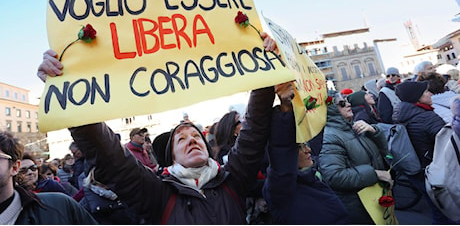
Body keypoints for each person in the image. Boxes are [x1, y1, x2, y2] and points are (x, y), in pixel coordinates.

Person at [37, 32, 280, 224]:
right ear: (171, 159)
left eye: (195, 135)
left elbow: (254, 131)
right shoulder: (157, 194)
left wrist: (264, 68)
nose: (192, 140)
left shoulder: (231, 180)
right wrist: (68, 89)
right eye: (182, 139)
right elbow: (108, 154)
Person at [262, 83, 349, 224]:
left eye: (305, 145)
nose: (308, 150)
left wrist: (321, 99)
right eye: (300, 147)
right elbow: (282, 148)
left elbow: (318, 132)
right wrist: (286, 107)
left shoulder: (311, 177)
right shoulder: (280, 189)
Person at [318, 92, 392, 224]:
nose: (348, 104)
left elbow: (383, 152)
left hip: (375, 197)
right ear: (331, 110)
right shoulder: (329, 137)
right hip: (359, 205)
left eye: (346, 100)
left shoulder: (353, 127)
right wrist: (375, 174)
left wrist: (374, 131)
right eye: (342, 103)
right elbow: (334, 176)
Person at [0, 131, 98, 224]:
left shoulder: (60, 206)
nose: (30, 173)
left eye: (33, 168)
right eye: (24, 170)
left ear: (14, 167)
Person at [393, 81, 453, 224]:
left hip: (419, 170)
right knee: (446, 213)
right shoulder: (426, 117)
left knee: (438, 210)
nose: (430, 94)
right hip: (435, 169)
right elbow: (450, 143)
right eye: (426, 92)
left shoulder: (403, 114)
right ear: (416, 97)